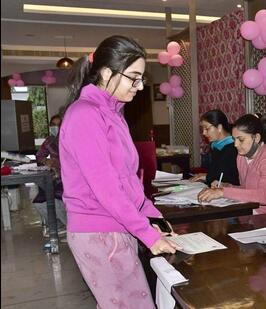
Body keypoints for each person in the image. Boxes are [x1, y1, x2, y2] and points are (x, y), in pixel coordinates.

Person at [59, 35, 180, 308]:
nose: (138, 87)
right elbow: (106, 188)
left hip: (115, 226)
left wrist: (152, 215)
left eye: (141, 79)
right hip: (99, 230)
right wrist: (147, 235)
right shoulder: (85, 115)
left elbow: (126, 179)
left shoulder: (113, 113)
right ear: (105, 73)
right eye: (133, 78)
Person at [197, 113, 266, 214]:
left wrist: (223, 192)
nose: (235, 144)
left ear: (256, 138)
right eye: (234, 139)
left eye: (241, 140)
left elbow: (265, 196)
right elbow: (248, 190)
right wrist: (227, 186)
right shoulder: (241, 157)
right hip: (254, 211)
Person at [33, 114, 67, 234]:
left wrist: (57, 163)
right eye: (53, 125)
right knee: (39, 202)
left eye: (58, 125)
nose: (55, 127)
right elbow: (39, 156)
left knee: (57, 201)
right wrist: (45, 160)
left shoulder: (69, 139)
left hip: (68, 180)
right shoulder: (49, 141)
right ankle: (57, 225)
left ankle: (69, 226)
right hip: (55, 179)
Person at [190, 109, 239, 186]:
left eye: (207, 129)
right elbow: (217, 172)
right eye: (202, 129)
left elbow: (229, 178)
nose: (204, 133)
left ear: (219, 127)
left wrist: (207, 177)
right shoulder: (215, 146)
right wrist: (206, 175)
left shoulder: (234, 147)